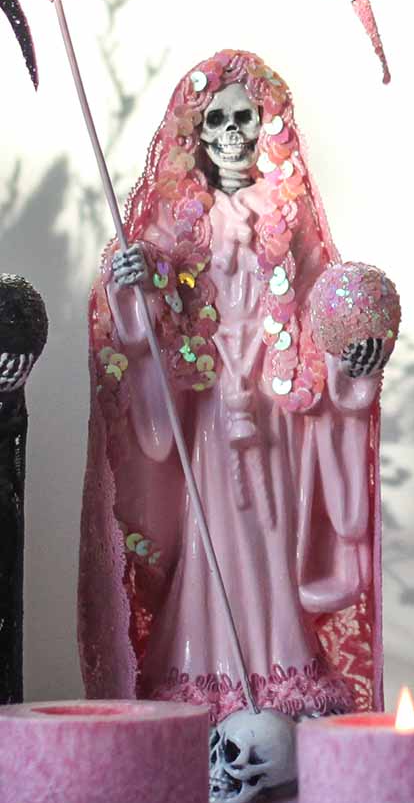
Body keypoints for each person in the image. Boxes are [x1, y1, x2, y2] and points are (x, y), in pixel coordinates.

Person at [79, 50, 387, 721]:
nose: (230, 135)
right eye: (216, 120)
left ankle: (279, 661)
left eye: (244, 119)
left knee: (274, 529)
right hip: (210, 402)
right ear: (195, 132)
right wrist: (134, 281)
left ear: (266, 125)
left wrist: (349, 361)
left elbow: (319, 313)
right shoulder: (174, 223)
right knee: (212, 528)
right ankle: (208, 665)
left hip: (276, 405)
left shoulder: (290, 219)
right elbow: (148, 312)